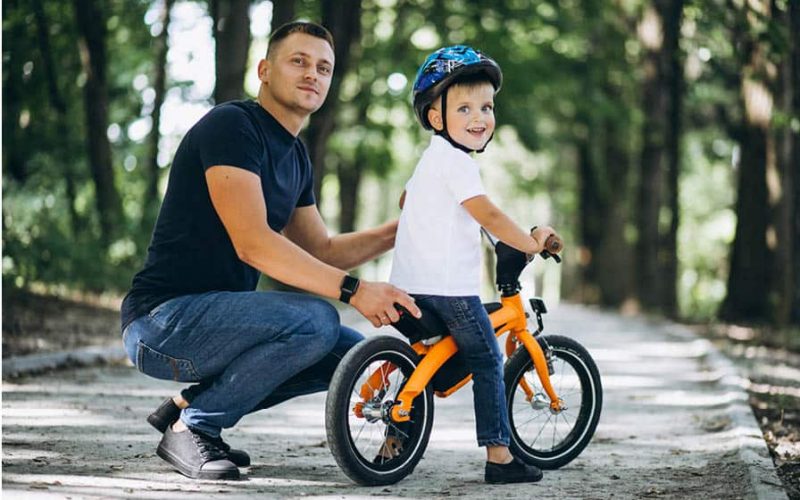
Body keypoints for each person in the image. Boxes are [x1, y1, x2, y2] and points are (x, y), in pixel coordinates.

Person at [120, 21, 420, 481]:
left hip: (219, 322)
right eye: (298, 61)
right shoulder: (232, 126)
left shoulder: (296, 156)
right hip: (162, 323)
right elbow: (254, 243)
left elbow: (322, 250)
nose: (312, 74)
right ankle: (195, 427)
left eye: (324, 67)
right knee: (317, 321)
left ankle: (192, 407)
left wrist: (402, 228)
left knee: (348, 357)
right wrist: (355, 292)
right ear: (264, 69)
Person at [388, 45, 562, 484]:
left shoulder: (430, 160)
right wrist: (527, 242)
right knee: (486, 359)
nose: (478, 116)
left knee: (425, 361)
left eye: (486, 106)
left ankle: (394, 440)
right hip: (449, 290)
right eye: (463, 107)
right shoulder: (458, 162)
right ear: (436, 118)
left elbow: (407, 201)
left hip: (409, 286)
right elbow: (487, 214)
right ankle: (500, 456)